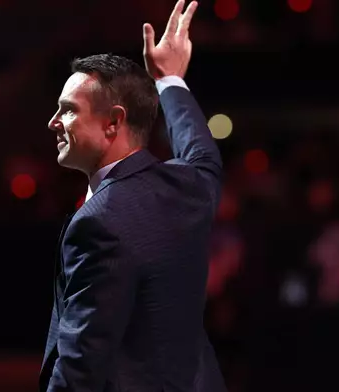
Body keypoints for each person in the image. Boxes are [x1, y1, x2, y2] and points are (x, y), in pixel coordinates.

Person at [39, 1, 226, 391]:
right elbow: (202, 153)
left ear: (114, 123)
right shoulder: (190, 187)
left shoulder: (99, 222)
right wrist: (169, 80)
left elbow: (80, 364)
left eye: (68, 110)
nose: (53, 122)